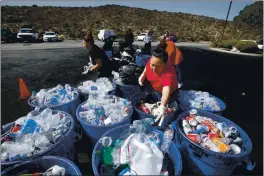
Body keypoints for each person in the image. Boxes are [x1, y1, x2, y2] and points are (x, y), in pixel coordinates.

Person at [138, 46, 178, 123]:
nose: (153, 69)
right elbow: (147, 68)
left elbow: (166, 89)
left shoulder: (168, 72)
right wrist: (142, 76)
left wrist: (162, 106)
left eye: (158, 66)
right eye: (152, 65)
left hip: (169, 93)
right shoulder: (152, 60)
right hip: (156, 88)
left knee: (166, 111)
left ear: (165, 64)